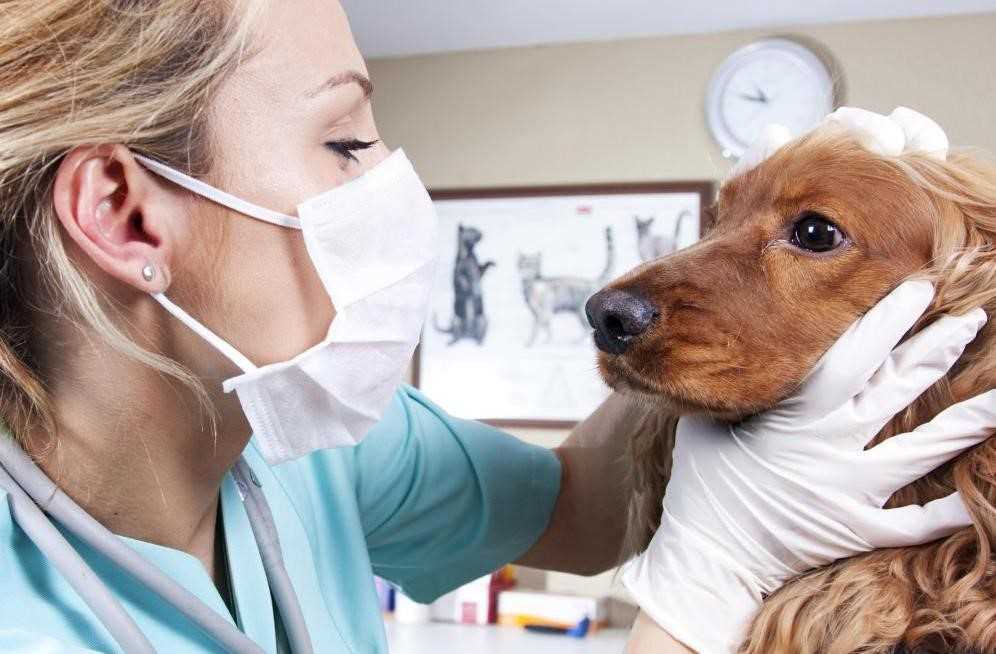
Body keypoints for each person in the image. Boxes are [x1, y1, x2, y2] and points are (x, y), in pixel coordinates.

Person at [0, 1, 991, 652]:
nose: (392, 181)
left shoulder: (314, 448)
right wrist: (709, 579)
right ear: (126, 215)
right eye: (344, 141)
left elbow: (579, 503)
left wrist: (725, 345)